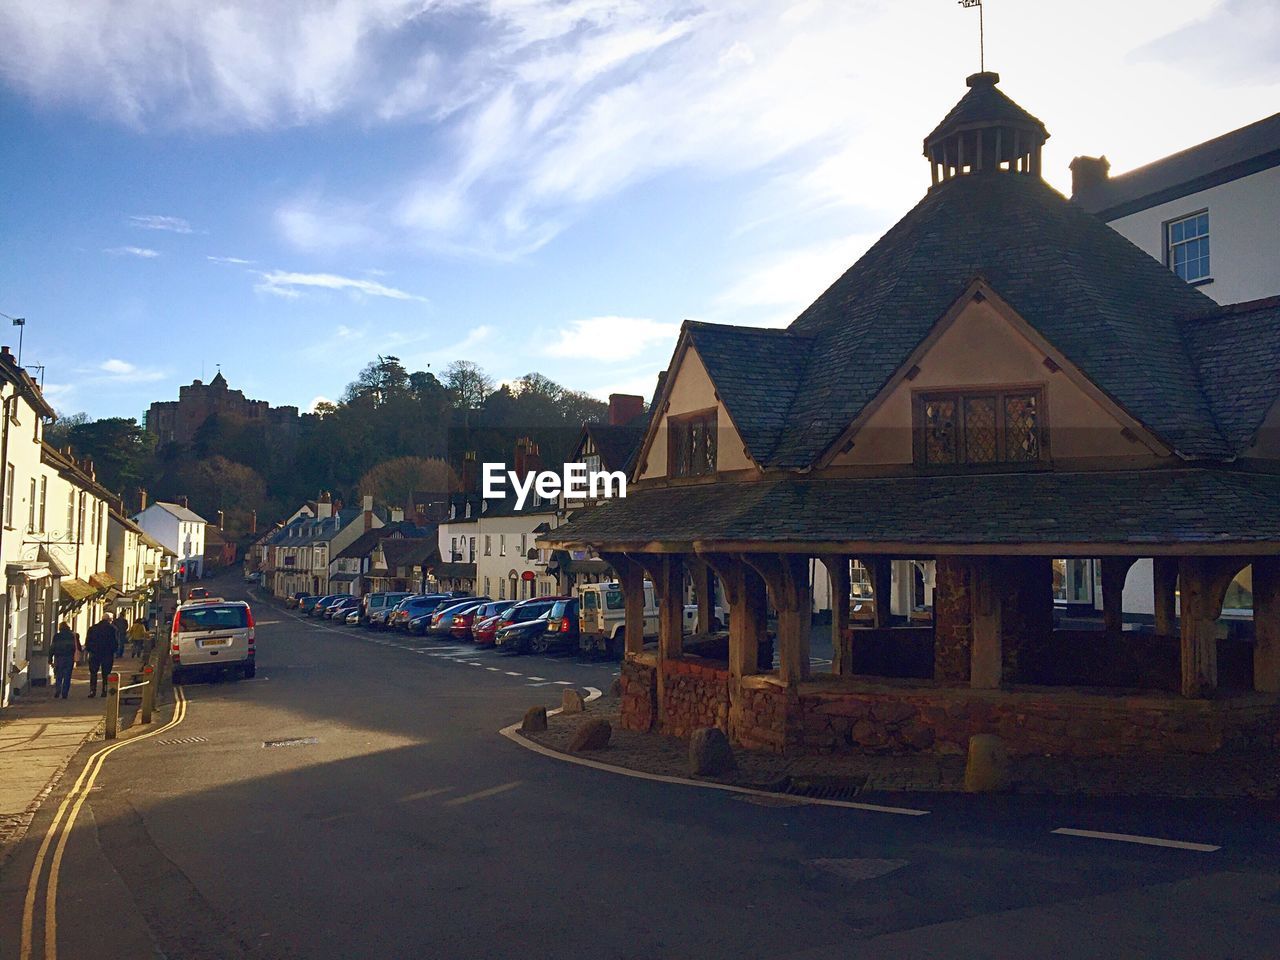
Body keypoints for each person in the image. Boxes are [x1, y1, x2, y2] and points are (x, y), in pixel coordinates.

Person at [85, 614, 117, 698]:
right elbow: (115, 642)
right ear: (109, 620)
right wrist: (113, 651)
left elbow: (87, 641)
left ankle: (92, 690)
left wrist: (90, 650)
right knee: (106, 673)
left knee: (93, 673)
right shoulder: (112, 629)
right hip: (107, 654)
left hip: (94, 653)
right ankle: (105, 690)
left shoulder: (92, 628)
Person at [49, 621, 78, 699]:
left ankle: (58, 689)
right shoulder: (71, 636)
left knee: (59, 675)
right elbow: (74, 648)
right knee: (67, 676)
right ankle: (65, 693)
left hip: (59, 658)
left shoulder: (56, 636)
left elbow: (52, 648)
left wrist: (50, 659)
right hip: (69, 658)